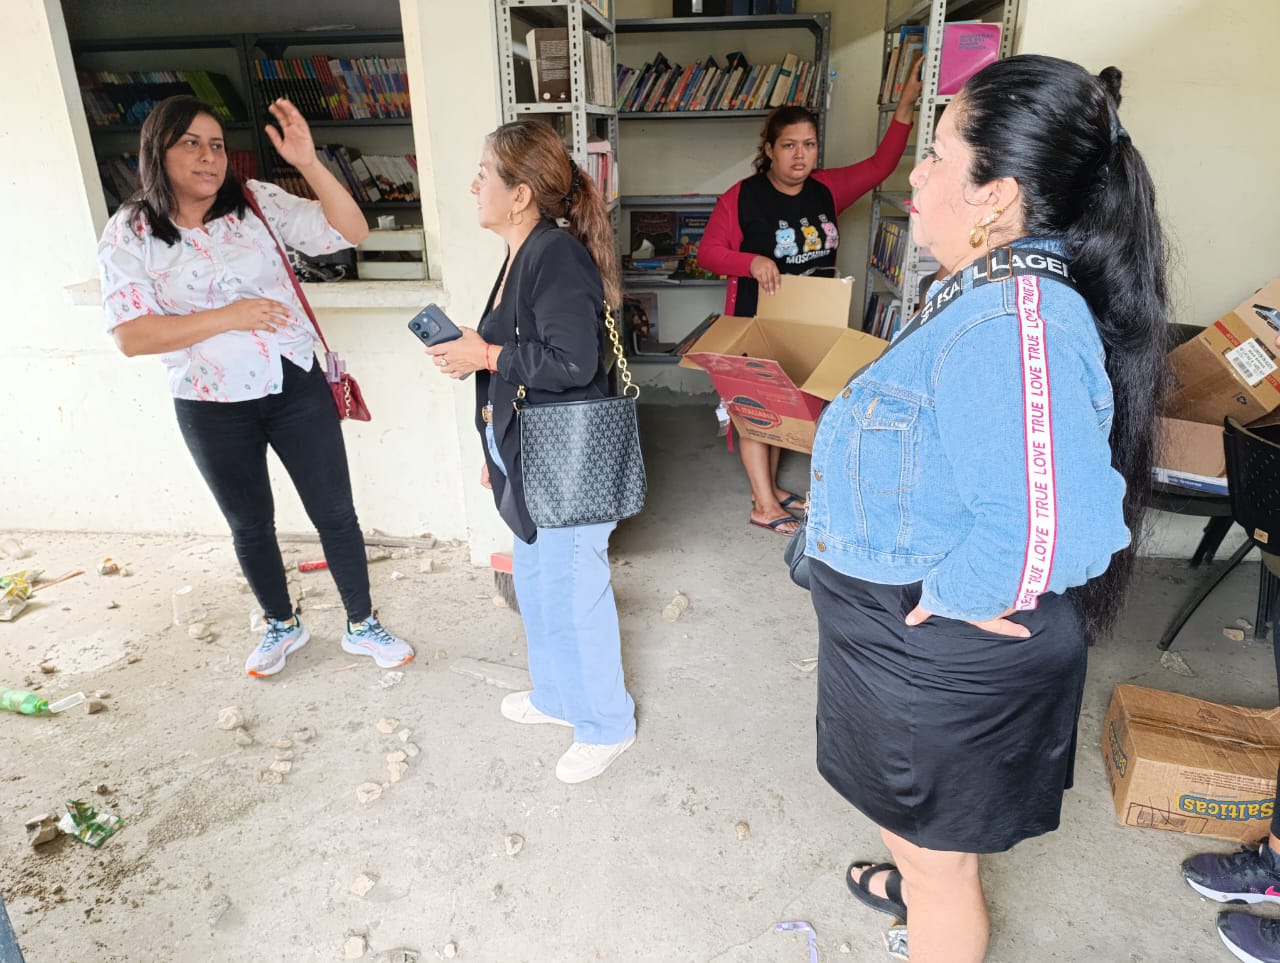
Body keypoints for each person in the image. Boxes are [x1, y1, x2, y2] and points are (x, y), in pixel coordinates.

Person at [802, 56, 1169, 962]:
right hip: (897, 640)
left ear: (995, 196)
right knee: (913, 830)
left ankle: (934, 908)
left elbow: (1059, 524)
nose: (916, 174)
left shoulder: (1012, 321)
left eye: (937, 155)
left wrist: (956, 595)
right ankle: (917, 876)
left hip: (932, 649)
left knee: (941, 864)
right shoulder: (981, 291)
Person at [97, 95, 414, 678]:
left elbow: (352, 230)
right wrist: (229, 316)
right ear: (156, 152)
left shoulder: (255, 203)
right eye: (191, 143)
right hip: (208, 401)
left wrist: (309, 163)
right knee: (249, 522)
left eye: (217, 145)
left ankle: (361, 622)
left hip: (293, 381)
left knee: (334, 511)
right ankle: (282, 624)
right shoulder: (131, 230)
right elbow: (132, 336)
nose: (209, 156)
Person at [426, 120, 637, 784]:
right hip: (530, 457)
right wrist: (497, 447)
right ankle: (557, 697)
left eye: (484, 175)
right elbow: (520, 352)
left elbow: (573, 362)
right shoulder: (523, 253)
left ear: (519, 195)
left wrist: (485, 353)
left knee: (576, 593)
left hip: (566, 463)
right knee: (541, 587)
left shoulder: (555, 256)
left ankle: (607, 724)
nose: (474, 186)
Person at [697, 62, 922, 537]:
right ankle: (763, 505)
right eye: (789, 145)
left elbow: (881, 166)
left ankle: (771, 490)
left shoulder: (826, 189)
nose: (800, 155)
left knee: (788, 406)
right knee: (756, 408)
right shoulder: (741, 198)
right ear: (769, 149)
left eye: (809, 144)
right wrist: (750, 262)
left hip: (811, 322)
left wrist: (905, 104)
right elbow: (708, 253)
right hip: (756, 320)